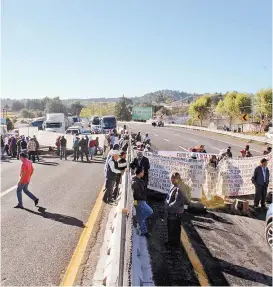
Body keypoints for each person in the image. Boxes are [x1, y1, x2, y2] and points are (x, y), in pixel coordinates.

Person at [165, 172, 190, 248]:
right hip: (174, 212)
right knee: (173, 228)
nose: (170, 180)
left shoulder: (180, 188)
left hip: (174, 212)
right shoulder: (175, 186)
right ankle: (172, 242)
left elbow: (177, 202)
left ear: (176, 179)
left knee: (173, 228)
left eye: (172, 178)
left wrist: (169, 206)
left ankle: (172, 244)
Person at [131, 166, 153, 237]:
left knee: (141, 216)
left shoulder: (139, 180)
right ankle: (136, 219)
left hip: (140, 201)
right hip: (139, 201)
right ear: (140, 173)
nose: (143, 173)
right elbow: (136, 195)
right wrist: (141, 201)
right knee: (150, 211)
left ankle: (144, 231)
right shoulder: (135, 182)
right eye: (143, 172)